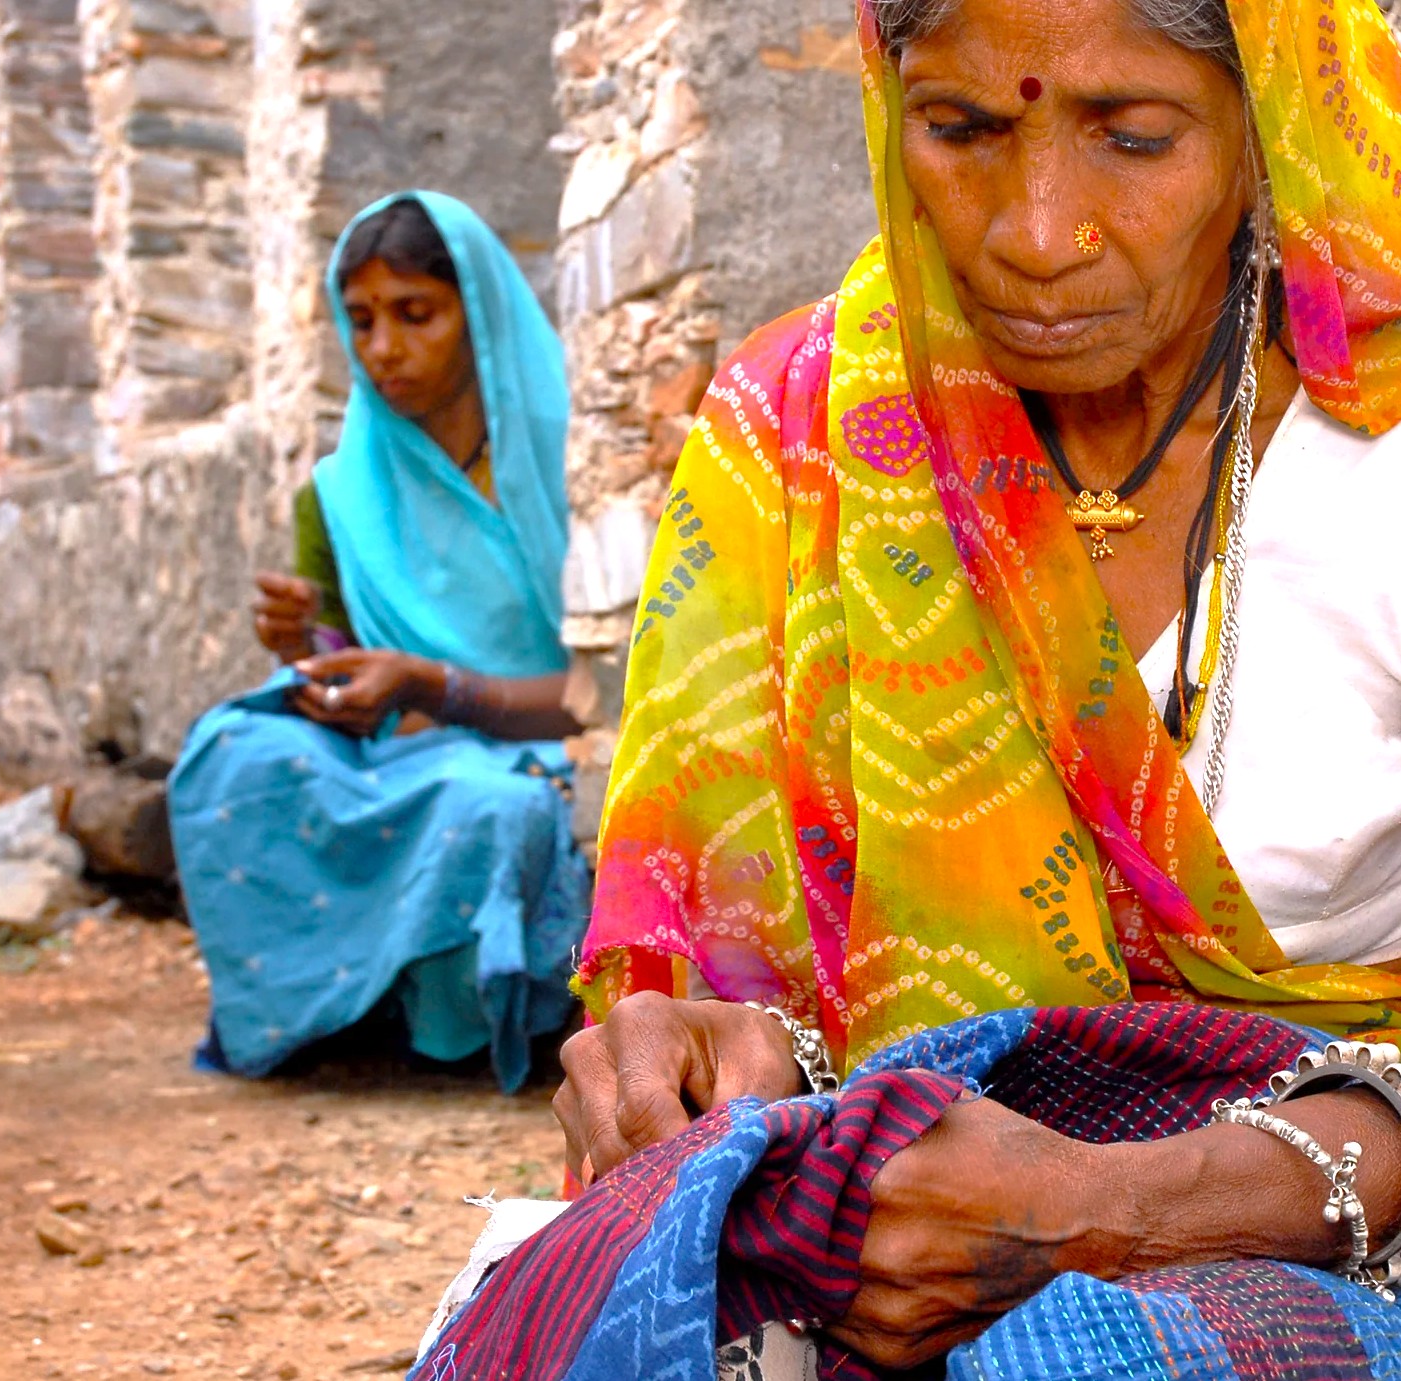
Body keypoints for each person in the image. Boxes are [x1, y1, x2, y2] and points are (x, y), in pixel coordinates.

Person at [532, 0, 1401, 1371]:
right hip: (883, 1230)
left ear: (1265, 118)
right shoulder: (796, 434)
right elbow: (716, 955)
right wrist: (702, 1051)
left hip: (1336, 1228)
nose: (1035, 232)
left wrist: (1122, 1209)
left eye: (1133, 136)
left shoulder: (1383, 446)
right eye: (961, 130)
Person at [168, 192, 589, 1094]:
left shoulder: (575, 461)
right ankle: (322, 1017)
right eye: (359, 321)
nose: (382, 349)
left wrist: (433, 684)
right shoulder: (338, 492)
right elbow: (353, 675)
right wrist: (306, 653)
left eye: (414, 314)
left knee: (491, 811)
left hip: (551, 740)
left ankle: (454, 1025)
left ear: (475, 311)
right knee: (231, 752)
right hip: (411, 753)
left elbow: (611, 685)